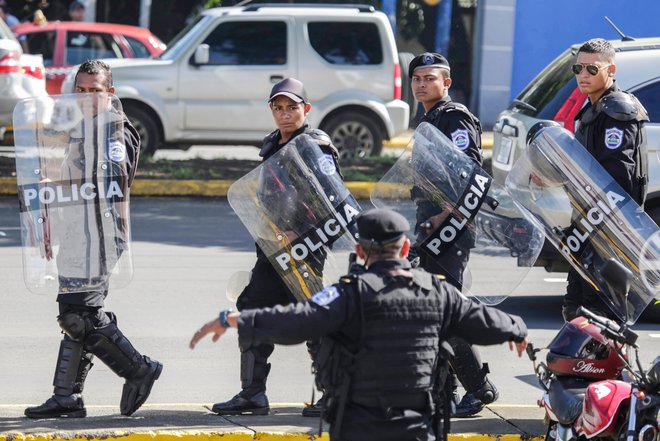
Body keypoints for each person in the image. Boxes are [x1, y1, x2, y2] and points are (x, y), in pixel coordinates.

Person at [190, 208, 529, 441]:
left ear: (359, 251)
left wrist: (235, 319)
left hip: (359, 426)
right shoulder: (438, 292)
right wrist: (516, 329)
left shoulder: (347, 295)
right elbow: (484, 320)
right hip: (417, 427)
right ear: (406, 247)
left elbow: (296, 321)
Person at [24, 60, 162, 419]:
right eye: (80, 91)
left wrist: (65, 191)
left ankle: (138, 369)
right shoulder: (84, 129)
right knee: (75, 314)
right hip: (76, 233)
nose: (86, 98)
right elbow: (76, 183)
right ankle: (66, 397)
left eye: (94, 91)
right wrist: (49, 192)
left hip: (99, 236)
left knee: (79, 317)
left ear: (109, 93)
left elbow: (111, 186)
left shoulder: (116, 133)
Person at [210, 77, 341, 417]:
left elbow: (334, 202)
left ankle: (336, 393)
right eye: (278, 108)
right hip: (272, 246)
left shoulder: (316, 146)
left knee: (313, 316)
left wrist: (301, 234)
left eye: (292, 108)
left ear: (305, 109)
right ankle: (252, 394)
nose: (285, 115)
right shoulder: (272, 144)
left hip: (304, 248)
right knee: (252, 306)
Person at [408, 52, 497, 417]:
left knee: (445, 310)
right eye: (417, 78)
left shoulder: (454, 117)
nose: (422, 84)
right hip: (431, 224)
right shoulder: (429, 118)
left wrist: (442, 219)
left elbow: (469, 176)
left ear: (446, 82)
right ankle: (442, 390)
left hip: (451, 228)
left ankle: (480, 387)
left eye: (430, 78)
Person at [562, 38, 648, 322]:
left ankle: (606, 366)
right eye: (578, 68)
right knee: (575, 306)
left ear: (610, 69)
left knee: (599, 311)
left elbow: (617, 178)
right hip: (588, 222)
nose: (583, 75)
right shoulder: (593, 108)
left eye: (592, 69)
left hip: (608, 228)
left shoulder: (617, 111)